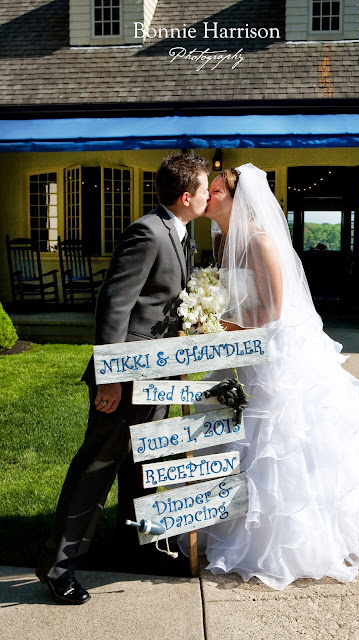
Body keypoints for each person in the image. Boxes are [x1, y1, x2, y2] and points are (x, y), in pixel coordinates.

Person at [188, 163, 359, 590]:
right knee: (238, 435)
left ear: (237, 199)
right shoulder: (222, 242)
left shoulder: (259, 241)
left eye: (217, 190)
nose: (209, 195)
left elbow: (274, 310)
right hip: (244, 351)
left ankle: (297, 536)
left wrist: (222, 325)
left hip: (278, 357)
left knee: (282, 440)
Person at [36, 153, 210, 604]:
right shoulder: (147, 232)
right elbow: (113, 305)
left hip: (159, 373)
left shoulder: (181, 234)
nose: (209, 196)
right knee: (97, 467)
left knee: (143, 467)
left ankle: (138, 548)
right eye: (205, 189)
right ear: (186, 196)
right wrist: (110, 378)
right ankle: (56, 566)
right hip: (127, 376)